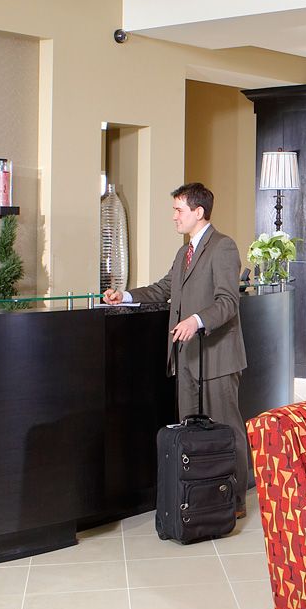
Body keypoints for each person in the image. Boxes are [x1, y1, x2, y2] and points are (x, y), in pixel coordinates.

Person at [103, 182, 249, 517]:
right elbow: (163, 288)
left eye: (178, 210)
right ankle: (203, 497)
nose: (174, 217)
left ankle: (236, 500)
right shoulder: (184, 253)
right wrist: (125, 296)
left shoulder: (223, 247)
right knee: (192, 432)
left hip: (217, 358)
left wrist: (196, 320)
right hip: (186, 358)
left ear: (199, 212)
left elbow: (228, 302)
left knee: (226, 429)